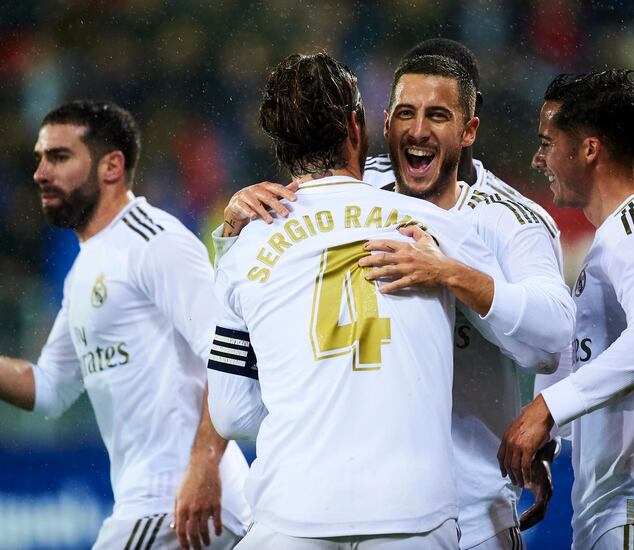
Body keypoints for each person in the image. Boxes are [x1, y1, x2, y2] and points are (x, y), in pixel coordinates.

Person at [221, 42, 575, 550]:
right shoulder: (354, 190)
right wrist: (238, 214)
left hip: (472, 510)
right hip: (362, 499)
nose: (418, 131)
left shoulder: (510, 220)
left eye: (438, 116)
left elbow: (550, 337)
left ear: (468, 131)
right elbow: (260, 280)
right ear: (379, 125)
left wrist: (452, 274)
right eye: (405, 114)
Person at [0, 100, 251, 550]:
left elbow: (227, 349)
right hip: (166, 505)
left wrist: (203, 466)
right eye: (39, 158)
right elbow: (49, 386)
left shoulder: (153, 241)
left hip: (178, 503)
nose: (40, 172)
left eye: (59, 157)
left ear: (111, 166)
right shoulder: (84, 271)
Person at [498, 70, 634, 550]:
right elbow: (596, 353)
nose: (538, 160)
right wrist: (550, 435)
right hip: (625, 512)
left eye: (547, 143)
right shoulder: (621, 235)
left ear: (590, 150)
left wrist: (547, 408)